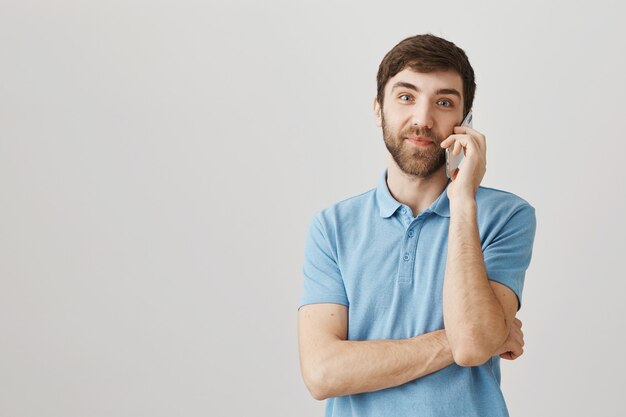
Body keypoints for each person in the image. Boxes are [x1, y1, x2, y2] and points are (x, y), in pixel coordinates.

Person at [297, 34, 536, 417]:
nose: (423, 120)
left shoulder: (506, 216)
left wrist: (462, 202)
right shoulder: (332, 228)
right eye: (406, 97)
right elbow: (323, 373)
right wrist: (464, 338)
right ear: (378, 110)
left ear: (465, 122)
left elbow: (473, 346)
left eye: (443, 102)